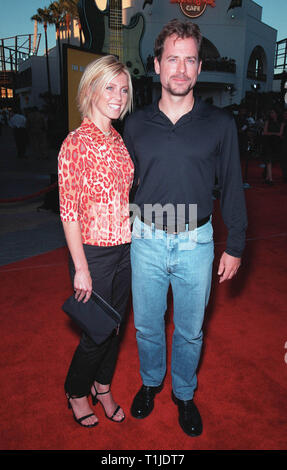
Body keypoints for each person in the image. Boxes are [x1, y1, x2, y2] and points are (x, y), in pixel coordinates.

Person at [124, 19, 247, 437]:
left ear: (199, 67)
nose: (180, 69)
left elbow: (232, 185)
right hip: (146, 239)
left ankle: (184, 393)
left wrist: (237, 244)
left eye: (189, 60)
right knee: (146, 324)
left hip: (198, 241)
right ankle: (151, 382)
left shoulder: (220, 124)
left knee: (191, 330)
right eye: (172, 59)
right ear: (156, 65)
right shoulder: (136, 124)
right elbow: (124, 184)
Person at [58, 55, 134, 427]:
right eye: (110, 87)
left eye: (123, 89)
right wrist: (82, 269)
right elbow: (69, 211)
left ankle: (102, 386)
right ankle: (75, 390)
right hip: (93, 254)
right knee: (97, 332)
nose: (118, 96)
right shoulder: (76, 143)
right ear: (90, 88)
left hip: (125, 249)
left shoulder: (117, 139)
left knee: (116, 327)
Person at [262, 108, 284, 185]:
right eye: (270, 112)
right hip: (268, 142)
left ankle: (268, 177)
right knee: (269, 160)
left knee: (272, 160)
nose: (271, 114)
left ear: (276, 113)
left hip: (277, 143)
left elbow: (280, 133)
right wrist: (275, 134)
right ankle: (270, 179)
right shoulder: (268, 121)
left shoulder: (281, 122)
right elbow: (264, 132)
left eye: (273, 112)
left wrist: (270, 133)